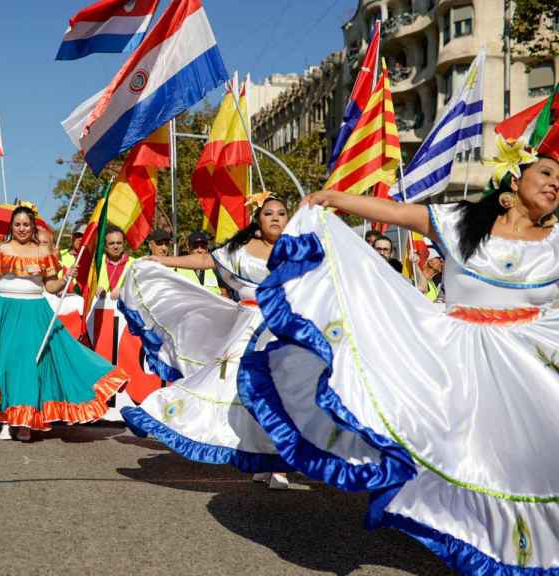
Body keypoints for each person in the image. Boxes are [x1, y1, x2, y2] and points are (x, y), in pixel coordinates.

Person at [238, 127, 559, 573]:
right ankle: (469, 534)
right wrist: (336, 199)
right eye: (545, 171)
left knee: (529, 460)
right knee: (460, 452)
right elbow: (395, 212)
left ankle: (527, 545)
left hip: (527, 366)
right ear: (513, 181)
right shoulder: (459, 221)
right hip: (456, 361)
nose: (554, 183)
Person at [119, 194, 302, 490]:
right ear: (259, 219)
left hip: (281, 329)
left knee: (278, 394)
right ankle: (160, 411)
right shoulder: (240, 249)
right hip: (246, 327)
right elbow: (206, 260)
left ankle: (275, 464)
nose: (276, 218)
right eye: (269, 213)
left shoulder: (296, 250)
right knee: (228, 387)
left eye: (282, 213)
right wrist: (163, 260)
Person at [0, 206, 127, 442]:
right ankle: (7, 419)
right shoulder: (0, 250)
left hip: (34, 313)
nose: (21, 229)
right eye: (17, 224)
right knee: (7, 364)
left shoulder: (43, 252)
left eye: (26, 225)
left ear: (33, 227)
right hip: (4, 311)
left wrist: (66, 278)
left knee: (31, 365)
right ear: (12, 226)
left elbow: (50, 287)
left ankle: (26, 420)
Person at [174, 230, 221, 295]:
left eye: (203, 247)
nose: (200, 250)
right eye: (195, 247)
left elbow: (221, 294)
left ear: (207, 249)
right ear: (188, 248)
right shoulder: (177, 270)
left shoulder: (214, 270)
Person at [98, 226, 133, 299]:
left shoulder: (135, 264)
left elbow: (142, 290)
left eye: (119, 243)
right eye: (111, 243)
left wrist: (123, 292)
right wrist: (94, 290)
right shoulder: (96, 263)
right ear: (105, 246)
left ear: (124, 244)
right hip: (100, 308)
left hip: (124, 309)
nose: (116, 246)